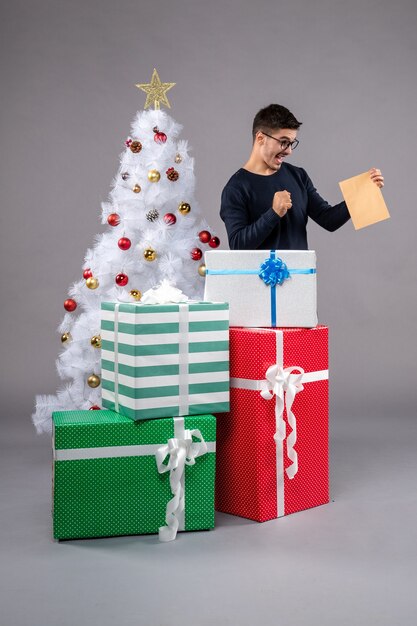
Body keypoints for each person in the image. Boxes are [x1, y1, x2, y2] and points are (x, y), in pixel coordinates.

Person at [220, 104, 384, 250]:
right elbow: (237, 245)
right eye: (284, 142)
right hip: (259, 282)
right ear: (261, 138)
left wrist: (363, 192)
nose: (289, 151)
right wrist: (274, 213)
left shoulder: (298, 176)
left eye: (291, 143)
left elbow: (329, 220)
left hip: (299, 279)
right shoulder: (236, 188)